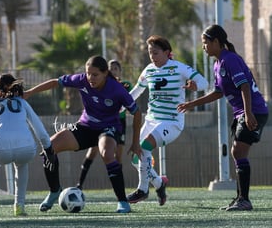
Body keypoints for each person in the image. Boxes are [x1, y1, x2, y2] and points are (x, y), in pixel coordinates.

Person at [24, 55, 142, 213]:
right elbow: (55, 82)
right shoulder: (81, 80)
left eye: (95, 75)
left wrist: (135, 143)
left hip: (108, 128)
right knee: (49, 148)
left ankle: (123, 202)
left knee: (107, 154)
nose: (90, 78)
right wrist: (29, 92)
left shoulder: (117, 89)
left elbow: (137, 113)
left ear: (105, 73)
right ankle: (54, 191)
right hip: (85, 127)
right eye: (88, 73)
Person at [177, 24, 268, 211]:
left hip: (254, 110)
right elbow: (218, 92)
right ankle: (241, 198)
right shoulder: (218, 63)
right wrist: (191, 104)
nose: (203, 46)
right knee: (238, 153)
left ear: (216, 42)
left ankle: (244, 200)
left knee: (238, 152)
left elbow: (244, 87)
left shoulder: (230, 60)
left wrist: (249, 113)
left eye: (205, 42)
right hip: (243, 112)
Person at [127, 35, 209, 206]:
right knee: (136, 159)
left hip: (171, 122)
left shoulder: (179, 68)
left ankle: (142, 190)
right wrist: (118, 105)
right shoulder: (148, 70)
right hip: (151, 120)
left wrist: (196, 86)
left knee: (144, 147)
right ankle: (159, 183)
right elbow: (135, 92)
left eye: (155, 53)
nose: (152, 57)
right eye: (150, 53)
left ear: (167, 52)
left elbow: (205, 82)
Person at [0, 73, 52, 216]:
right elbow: (39, 128)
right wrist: (48, 148)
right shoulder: (22, 103)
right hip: (26, 149)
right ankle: (19, 205)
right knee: (22, 164)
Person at [76, 59, 133, 190]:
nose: (113, 71)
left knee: (117, 155)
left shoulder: (125, 85)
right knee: (93, 151)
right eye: (111, 69)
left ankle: (119, 188)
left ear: (120, 71)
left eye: (116, 69)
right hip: (101, 123)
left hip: (118, 123)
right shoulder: (99, 85)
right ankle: (79, 184)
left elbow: (129, 100)